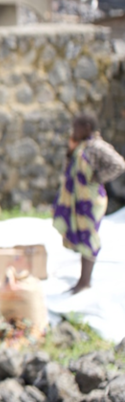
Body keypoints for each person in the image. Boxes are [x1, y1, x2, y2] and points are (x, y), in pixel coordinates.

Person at [53, 113, 125, 294]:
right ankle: (83, 280)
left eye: (76, 127)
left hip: (90, 200)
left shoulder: (97, 147)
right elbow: (68, 169)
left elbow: (119, 164)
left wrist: (99, 177)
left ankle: (85, 281)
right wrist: (70, 151)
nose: (73, 131)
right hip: (78, 199)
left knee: (88, 237)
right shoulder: (80, 147)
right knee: (81, 234)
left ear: (86, 127)